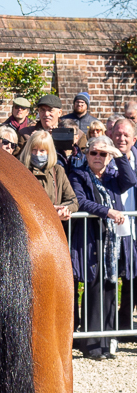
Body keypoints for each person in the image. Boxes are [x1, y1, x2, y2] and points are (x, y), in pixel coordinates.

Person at [68, 136, 135, 360]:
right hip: (90, 237)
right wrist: (108, 211)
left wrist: (118, 154)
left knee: (109, 288)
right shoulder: (79, 174)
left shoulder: (113, 177)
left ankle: (107, 344)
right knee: (93, 287)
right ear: (87, 155)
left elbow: (131, 180)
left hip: (112, 241)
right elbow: (80, 201)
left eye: (103, 154)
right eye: (94, 153)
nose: (98, 157)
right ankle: (92, 345)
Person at [109, 118, 137, 333]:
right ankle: (111, 327)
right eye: (118, 134)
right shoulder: (102, 156)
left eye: (126, 135)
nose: (122, 138)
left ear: (134, 139)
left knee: (134, 280)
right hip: (111, 228)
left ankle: (127, 326)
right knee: (112, 277)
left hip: (135, 229)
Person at [19, 131, 78, 221]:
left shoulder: (58, 171)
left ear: (49, 151)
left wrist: (63, 210)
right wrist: (50, 210)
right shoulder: (21, 170)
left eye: (42, 150)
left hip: (53, 227)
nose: (38, 154)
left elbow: (73, 201)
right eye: (34, 150)